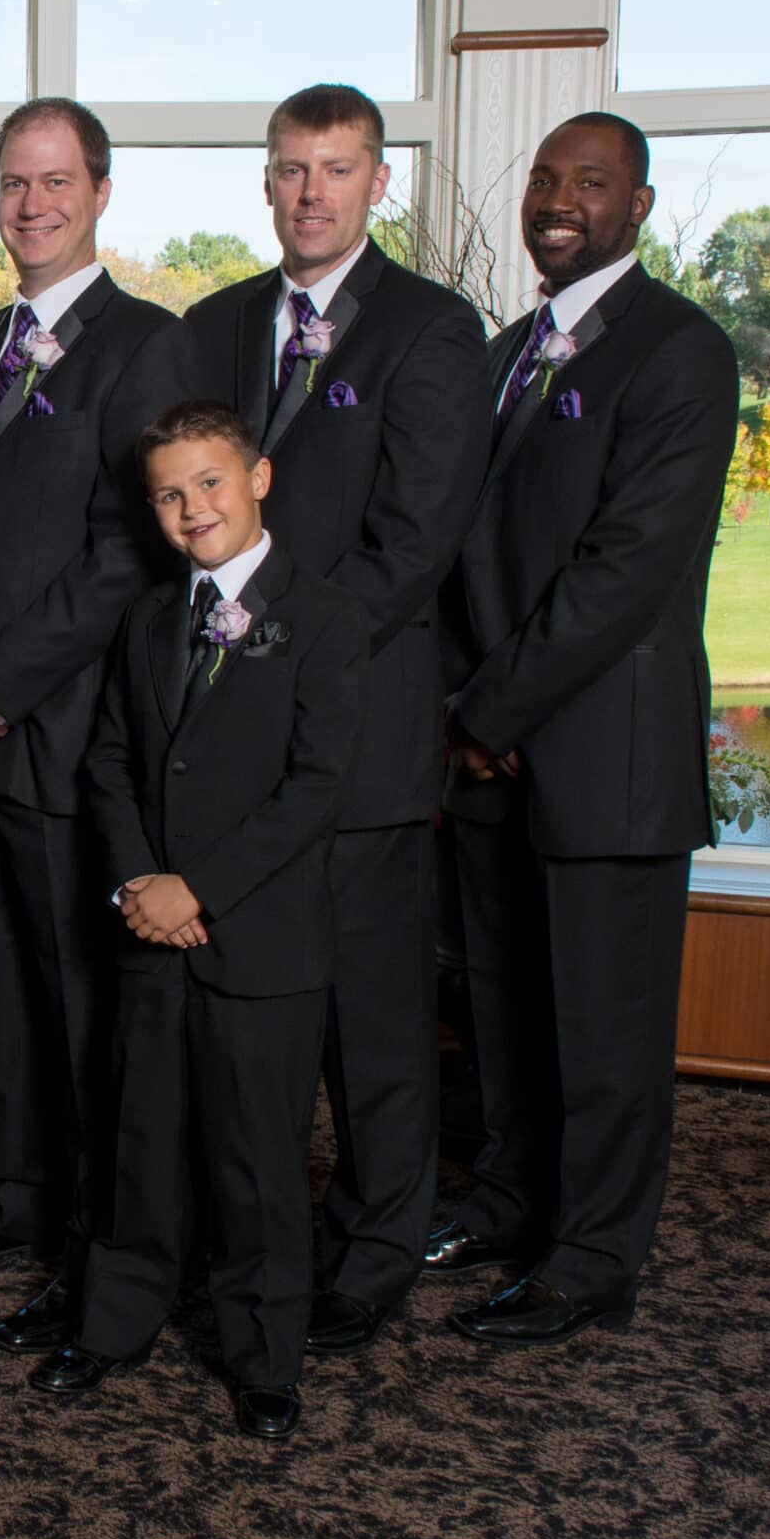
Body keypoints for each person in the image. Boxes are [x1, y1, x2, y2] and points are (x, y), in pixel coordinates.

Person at [178, 84, 490, 1356]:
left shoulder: (433, 329)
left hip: (360, 736)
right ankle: (250, 1243)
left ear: (376, 183)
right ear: (266, 182)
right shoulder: (214, 325)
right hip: (224, 744)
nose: (311, 192)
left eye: (337, 168)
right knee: (246, 1015)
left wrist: (270, 650)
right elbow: (179, 515)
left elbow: (414, 543)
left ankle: (371, 1257)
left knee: (371, 1025)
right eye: (291, 169)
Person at [431, 112, 738, 1348]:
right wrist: (468, 714)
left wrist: (494, 708)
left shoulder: (680, 351)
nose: (560, 200)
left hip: (604, 757)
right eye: (547, 180)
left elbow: (624, 570)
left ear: (638, 206)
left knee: (606, 1031)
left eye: (592, 183)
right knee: (504, 1008)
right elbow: (461, 546)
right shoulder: (509, 349)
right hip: (492, 756)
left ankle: (592, 1260)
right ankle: (509, 1202)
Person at [32, 401, 366, 1439]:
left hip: (260, 944)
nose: (192, 509)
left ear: (258, 478)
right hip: (151, 934)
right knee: (136, 1141)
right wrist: (140, 879)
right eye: (170, 495)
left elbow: (316, 787)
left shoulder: (326, 617)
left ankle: (265, 1355)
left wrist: (201, 888)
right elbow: (110, 761)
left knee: (257, 1160)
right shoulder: (146, 619)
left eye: (210, 483)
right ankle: (112, 1322)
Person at [0, 97, 197, 1356]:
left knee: (82, 1004)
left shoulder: (147, 344)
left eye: (54, 182)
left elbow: (126, 550)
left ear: (98, 193)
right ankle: (11, 1192)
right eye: (13, 182)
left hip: (65, 727)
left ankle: (95, 1239)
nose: (31, 205)